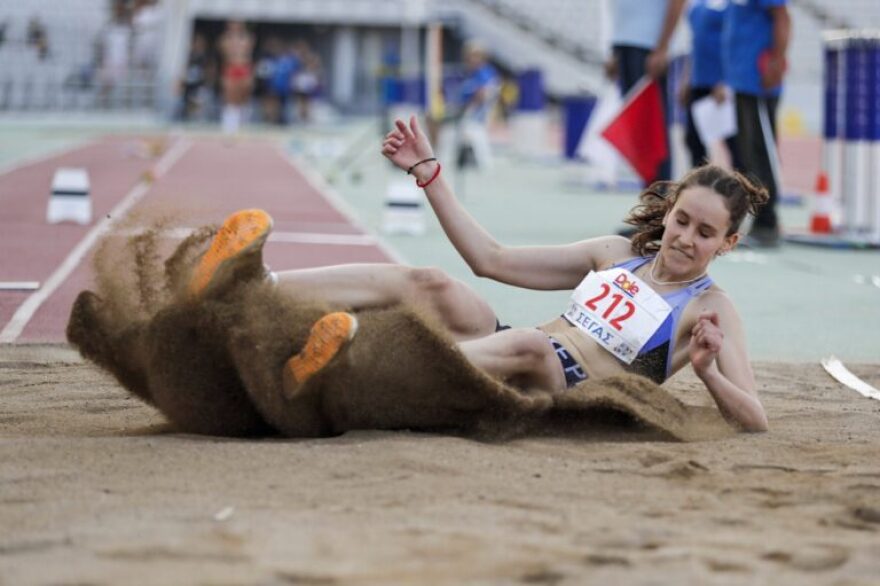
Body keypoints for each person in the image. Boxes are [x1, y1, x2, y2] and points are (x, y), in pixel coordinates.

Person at [189, 116, 770, 432]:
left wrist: (707, 372)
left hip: (563, 391)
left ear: (728, 243)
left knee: (526, 344)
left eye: (704, 233)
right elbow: (490, 261)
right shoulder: (614, 253)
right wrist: (429, 174)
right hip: (517, 353)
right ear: (668, 212)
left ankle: (341, 368)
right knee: (431, 284)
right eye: (682, 220)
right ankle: (253, 289)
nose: (685, 239)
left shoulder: (710, 309)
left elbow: (755, 419)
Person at [721, 0, 791, 247]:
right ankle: (759, 220)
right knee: (749, 154)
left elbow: (782, 17)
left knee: (762, 152)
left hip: (758, 80)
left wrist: (777, 61)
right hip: (741, 79)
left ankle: (768, 222)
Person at [606, 0, 687, 183]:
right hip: (625, 44)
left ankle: (660, 191)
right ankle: (649, 188)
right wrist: (614, 48)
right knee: (636, 125)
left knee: (652, 123)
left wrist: (663, 47)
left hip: (648, 46)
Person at [681, 0, 742, 170]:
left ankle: (745, 188)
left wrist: (727, 80)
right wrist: (686, 78)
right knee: (693, 139)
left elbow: (736, 43)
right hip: (699, 81)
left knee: (734, 143)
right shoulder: (697, 6)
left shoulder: (731, 6)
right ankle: (699, 184)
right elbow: (694, 44)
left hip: (720, 84)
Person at [218, 20, 254, 135]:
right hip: (231, 67)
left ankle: (243, 125)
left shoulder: (247, 38)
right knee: (230, 98)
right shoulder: (225, 39)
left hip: (243, 67)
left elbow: (247, 53)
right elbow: (225, 53)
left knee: (243, 98)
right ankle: (229, 127)